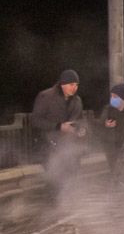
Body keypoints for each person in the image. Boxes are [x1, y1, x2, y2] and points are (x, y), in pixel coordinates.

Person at [30, 69, 85, 198]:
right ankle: (53, 210)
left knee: (71, 180)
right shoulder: (46, 96)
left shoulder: (77, 101)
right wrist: (58, 127)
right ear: (63, 84)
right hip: (49, 147)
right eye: (72, 84)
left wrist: (81, 129)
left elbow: (80, 120)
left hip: (69, 148)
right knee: (55, 181)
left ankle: (67, 209)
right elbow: (36, 120)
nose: (75, 88)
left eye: (77, 85)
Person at [102, 82, 124, 163]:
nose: (112, 99)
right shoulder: (109, 109)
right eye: (111, 96)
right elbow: (101, 122)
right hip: (112, 151)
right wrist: (105, 123)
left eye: (115, 96)